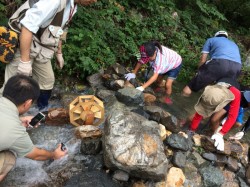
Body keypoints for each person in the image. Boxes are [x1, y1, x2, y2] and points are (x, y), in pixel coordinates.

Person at [0, 0, 97, 110]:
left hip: (41, 49)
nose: (94, 1)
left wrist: (59, 53)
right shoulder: (53, 1)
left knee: (47, 80)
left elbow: (61, 30)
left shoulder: (73, 6)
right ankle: (4, 119)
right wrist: (24, 62)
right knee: (12, 88)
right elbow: (27, 26)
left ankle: (40, 111)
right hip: (23, 47)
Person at [0, 75, 67, 182]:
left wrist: (20, 119)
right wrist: (54, 155)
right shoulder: (15, 130)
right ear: (27, 103)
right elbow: (36, 155)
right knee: (10, 157)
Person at [182, 30, 242, 97]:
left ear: (216, 36)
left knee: (190, 86)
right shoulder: (234, 44)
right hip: (237, 68)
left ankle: (182, 100)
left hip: (220, 63)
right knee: (220, 94)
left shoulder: (211, 40)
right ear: (226, 37)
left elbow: (203, 60)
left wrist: (199, 71)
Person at [188, 80, 241, 151]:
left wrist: (221, 133)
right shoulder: (210, 92)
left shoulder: (236, 94)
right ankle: (193, 128)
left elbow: (232, 117)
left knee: (216, 119)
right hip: (218, 90)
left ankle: (212, 131)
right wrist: (192, 130)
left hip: (230, 97)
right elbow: (200, 113)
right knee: (203, 113)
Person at [125, 41, 182, 105]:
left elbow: (154, 76)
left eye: (149, 58)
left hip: (175, 64)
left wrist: (142, 87)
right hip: (166, 64)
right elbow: (141, 61)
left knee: (168, 84)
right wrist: (134, 73)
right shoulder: (148, 50)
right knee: (158, 81)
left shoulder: (160, 60)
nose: (148, 59)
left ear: (155, 52)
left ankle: (167, 97)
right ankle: (159, 87)